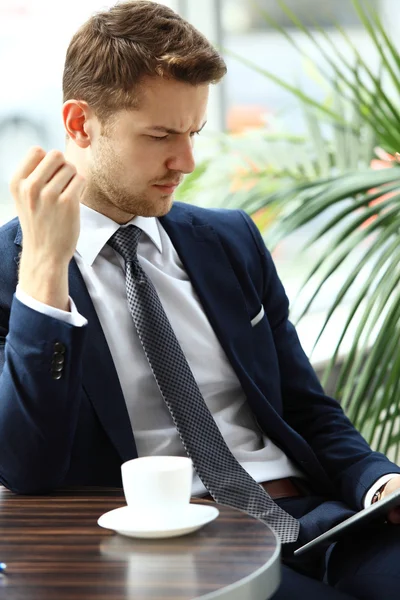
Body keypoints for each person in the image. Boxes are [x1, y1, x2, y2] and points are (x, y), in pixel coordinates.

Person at [1, 1, 400, 597]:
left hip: (319, 519)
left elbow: (306, 408)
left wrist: (379, 482)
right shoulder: (18, 271)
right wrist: (43, 271)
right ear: (80, 123)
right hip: (178, 547)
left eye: (192, 133)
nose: (186, 162)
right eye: (160, 135)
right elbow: (25, 469)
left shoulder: (230, 239)